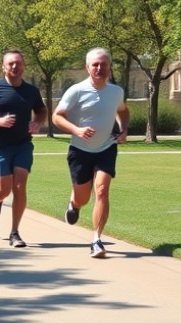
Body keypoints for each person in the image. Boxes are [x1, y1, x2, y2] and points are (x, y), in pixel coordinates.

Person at [52, 47, 130, 258]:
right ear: (87, 67)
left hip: (106, 147)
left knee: (102, 190)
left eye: (103, 64)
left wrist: (124, 130)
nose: (99, 68)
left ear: (109, 67)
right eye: (95, 65)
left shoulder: (116, 92)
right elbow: (57, 116)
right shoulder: (76, 91)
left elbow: (123, 110)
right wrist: (76, 130)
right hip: (80, 150)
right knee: (83, 197)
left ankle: (96, 240)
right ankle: (74, 203)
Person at [0, 50, 47, 248]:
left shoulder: (31, 91)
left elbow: (41, 111)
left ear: (23, 66)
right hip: (1, 147)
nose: (15, 66)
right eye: (11, 63)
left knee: (20, 186)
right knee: (2, 190)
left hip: (23, 145)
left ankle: (15, 232)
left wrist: (37, 122)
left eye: (18, 63)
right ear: (3, 67)